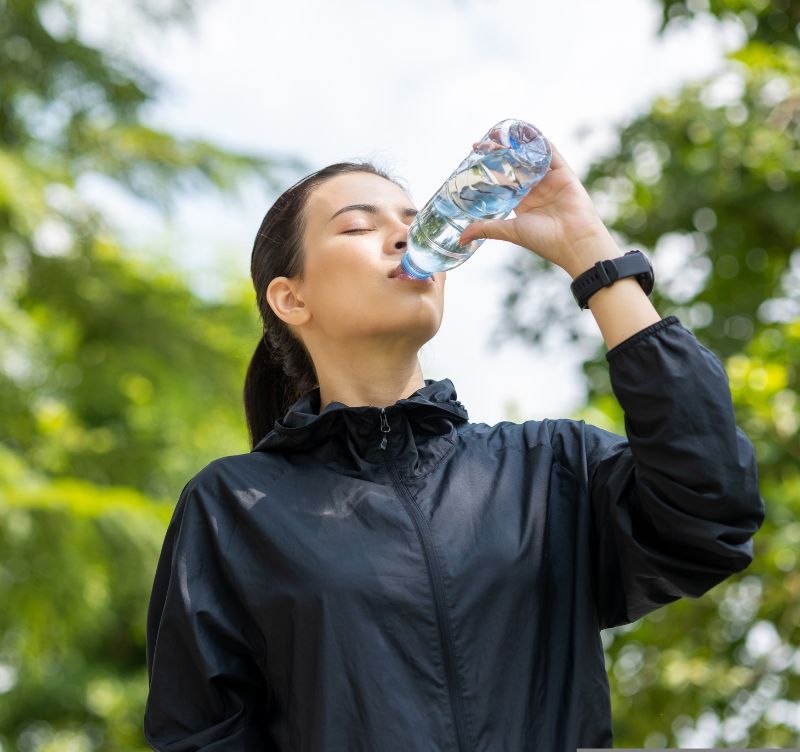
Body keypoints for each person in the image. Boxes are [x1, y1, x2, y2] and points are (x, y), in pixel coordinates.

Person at [143, 145, 765, 751]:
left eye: (417, 223)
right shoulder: (234, 507)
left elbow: (711, 511)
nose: (402, 238)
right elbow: (199, 734)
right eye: (360, 226)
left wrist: (590, 254)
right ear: (291, 298)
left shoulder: (550, 470)